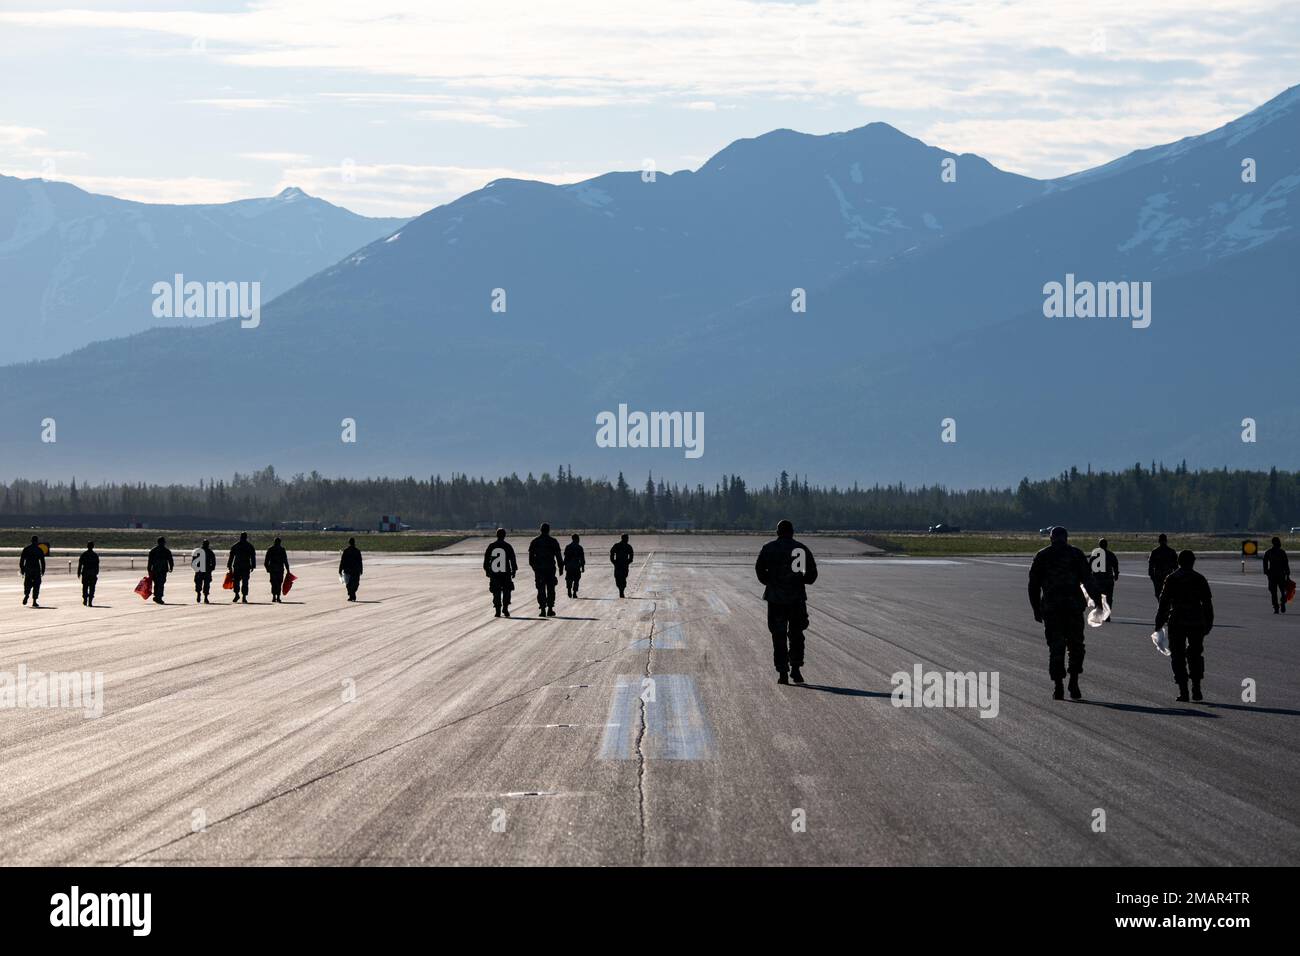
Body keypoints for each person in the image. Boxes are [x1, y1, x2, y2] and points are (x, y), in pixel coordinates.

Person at [1028, 526, 1099, 701]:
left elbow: (1033, 585)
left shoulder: (1042, 555)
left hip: (1052, 610)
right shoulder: (1076, 554)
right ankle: (1073, 682)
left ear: (1051, 538)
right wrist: (1097, 601)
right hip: (1073, 608)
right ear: (1066, 538)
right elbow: (1088, 580)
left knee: (1056, 647)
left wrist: (1036, 608)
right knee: (1076, 646)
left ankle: (1058, 686)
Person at [755, 520, 819, 685]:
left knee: (779, 636)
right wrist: (797, 580)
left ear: (778, 532)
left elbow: (760, 571)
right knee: (796, 634)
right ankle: (796, 669)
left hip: (776, 599)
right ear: (792, 532)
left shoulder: (769, 548)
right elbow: (812, 575)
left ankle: (782, 672)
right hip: (796, 599)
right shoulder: (800, 549)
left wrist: (771, 582)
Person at [1155, 550, 1215, 702]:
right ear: (1193, 562)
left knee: (1178, 656)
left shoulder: (1172, 579)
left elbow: (1164, 603)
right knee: (1195, 654)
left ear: (1179, 562)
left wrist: (1159, 623)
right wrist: (1208, 622)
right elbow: (1207, 603)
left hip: (1177, 621)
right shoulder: (1199, 579)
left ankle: (1184, 691)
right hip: (1196, 620)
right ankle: (1196, 688)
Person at [528, 523, 564, 616]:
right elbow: (558, 556)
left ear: (540, 530)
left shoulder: (535, 541)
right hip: (550, 569)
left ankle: (543, 609)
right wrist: (561, 568)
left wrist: (535, 568)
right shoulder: (553, 541)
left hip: (539, 569)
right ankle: (550, 608)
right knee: (551, 589)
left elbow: (531, 559)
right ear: (548, 530)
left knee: (541, 589)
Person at [483, 529, 517, 617]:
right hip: (505, 572)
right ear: (504, 535)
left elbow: (486, 559)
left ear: (497, 535)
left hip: (495, 572)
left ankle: (497, 610)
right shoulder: (508, 546)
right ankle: (505, 608)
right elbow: (512, 559)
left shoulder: (491, 546)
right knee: (507, 590)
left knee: (496, 591)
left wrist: (487, 570)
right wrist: (514, 570)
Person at [1089, 537, 1120, 615]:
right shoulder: (1110, 554)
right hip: (1108, 579)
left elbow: (1089, 566)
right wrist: (1116, 575)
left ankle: (1098, 613)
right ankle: (1107, 614)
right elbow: (1115, 565)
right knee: (1109, 598)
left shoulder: (1095, 554)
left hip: (1097, 580)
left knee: (1097, 597)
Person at [1262, 536, 1291, 614]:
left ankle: (1276, 607)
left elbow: (1265, 561)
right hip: (1280, 574)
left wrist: (1266, 571)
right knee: (1283, 591)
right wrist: (1287, 573)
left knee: (1274, 592)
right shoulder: (1282, 552)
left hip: (1272, 575)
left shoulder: (1269, 552)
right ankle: (1282, 603)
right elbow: (1286, 564)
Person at [1148, 534, 1178, 603]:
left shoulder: (1155, 552)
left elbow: (1151, 566)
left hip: (1163, 576)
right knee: (1161, 594)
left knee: (1161, 594)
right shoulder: (1171, 551)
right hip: (1162, 576)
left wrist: (1152, 576)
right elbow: (1176, 566)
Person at [227, 532, 257, 604]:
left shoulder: (235, 546)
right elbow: (253, 557)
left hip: (238, 566)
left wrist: (229, 565)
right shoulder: (249, 546)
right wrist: (253, 566)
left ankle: (238, 595)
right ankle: (243, 596)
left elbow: (231, 557)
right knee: (244, 582)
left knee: (237, 581)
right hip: (244, 567)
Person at [19, 535, 45, 608]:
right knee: (36, 584)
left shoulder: (26, 549)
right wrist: (43, 570)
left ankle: (27, 595)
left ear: (31, 541)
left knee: (27, 583)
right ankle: (34, 601)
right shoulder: (39, 550)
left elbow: (22, 560)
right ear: (37, 541)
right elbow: (42, 561)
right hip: (36, 569)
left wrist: (22, 569)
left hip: (28, 569)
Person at [147, 536, 174, 605]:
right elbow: (170, 560)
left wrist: (149, 570)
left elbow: (150, 562)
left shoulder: (153, 550)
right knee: (161, 584)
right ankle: (159, 597)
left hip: (155, 570)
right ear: (164, 543)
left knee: (157, 584)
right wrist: (171, 567)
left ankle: (157, 596)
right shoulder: (166, 551)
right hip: (163, 570)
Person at [264, 537, 291, 603]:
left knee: (274, 583)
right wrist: (288, 569)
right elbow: (285, 560)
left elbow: (266, 561)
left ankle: (274, 596)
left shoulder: (270, 549)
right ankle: (278, 597)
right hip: (279, 569)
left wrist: (267, 568)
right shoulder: (282, 550)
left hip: (273, 569)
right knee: (279, 583)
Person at [192, 539, 217, 604]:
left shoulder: (198, 551)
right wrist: (211, 568)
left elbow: (193, 562)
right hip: (206, 570)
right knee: (206, 584)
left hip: (201, 570)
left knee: (200, 583)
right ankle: (204, 596)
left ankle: (200, 594)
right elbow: (213, 562)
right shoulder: (210, 552)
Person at [610, 533, 634, 598]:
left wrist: (628, 562)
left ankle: (621, 591)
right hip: (618, 565)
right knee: (617, 578)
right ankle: (621, 590)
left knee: (623, 578)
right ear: (623, 538)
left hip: (623, 565)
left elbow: (631, 556)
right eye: (626, 538)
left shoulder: (628, 547)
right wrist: (614, 561)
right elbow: (612, 553)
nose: (627, 539)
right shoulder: (617, 546)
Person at [339, 537, 363, 602]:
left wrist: (340, 570)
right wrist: (361, 570)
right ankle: (352, 595)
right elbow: (360, 561)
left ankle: (351, 594)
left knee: (350, 584)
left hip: (350, 570)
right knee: (353, 584)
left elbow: (342, 561)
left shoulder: (348, 551)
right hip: (353, 570)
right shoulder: (355, 551)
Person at [77, 541, 99, 607]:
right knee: (92, 588)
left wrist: (78, 572)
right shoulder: (95, 555)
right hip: (92, 573)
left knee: (85, 587)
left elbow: (80, 564)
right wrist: (96, 572)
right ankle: (90, 601)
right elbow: (97, 565)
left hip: (86, 573)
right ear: (93, 546)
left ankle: (85, 599)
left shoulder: (84, 554)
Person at [564, 534, 586, 598]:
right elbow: (582, 558)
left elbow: (566, 557)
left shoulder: (568, 547)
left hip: (569, 566)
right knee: (576, 580)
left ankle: (569, 591)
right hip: (576, 566)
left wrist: (565, 565)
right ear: (577, 539)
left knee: (569, 579)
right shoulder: (579, 547)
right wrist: (583, 567)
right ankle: (574, 593)